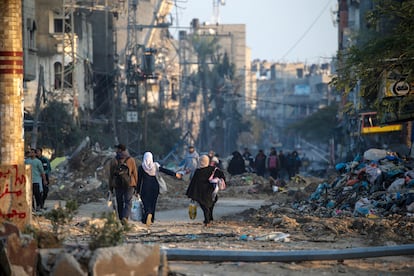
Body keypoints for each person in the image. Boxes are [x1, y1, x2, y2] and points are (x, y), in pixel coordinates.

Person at [137, 151, 182, 226]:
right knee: (153, 202)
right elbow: (165, 170)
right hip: (155, 186)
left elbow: (139, 180)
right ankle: (151, 219)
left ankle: (148, 213)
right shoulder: (155, 165)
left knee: (146, 202)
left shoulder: (141, 167)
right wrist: (175, 174)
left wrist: (137, 190)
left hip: (145, 187)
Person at [186, 155, 226, 227]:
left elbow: (194, 183)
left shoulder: (198, 171)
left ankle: (207, 221)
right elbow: (222, 175)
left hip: (201, 193)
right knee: (210, 206)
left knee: (205, 207)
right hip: (210, 192)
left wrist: (191, 194)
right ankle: (209, 219)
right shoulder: (213, 169)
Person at [108, 144, 138, 224]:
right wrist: (136, 185)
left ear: (119, 150)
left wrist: (110, 187)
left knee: (119, 202)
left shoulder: (114, 160)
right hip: (129, 183)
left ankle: (121, 218)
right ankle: (125, 217)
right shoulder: (131, 160)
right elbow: (135, 173)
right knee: (128, 201)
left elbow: (111, 175)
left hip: (118, 184)